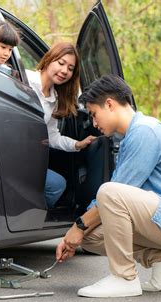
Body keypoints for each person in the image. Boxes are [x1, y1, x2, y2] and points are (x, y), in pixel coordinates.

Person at [55, 74, 161, 298]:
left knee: (105, 196)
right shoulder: (131, 136)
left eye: (94, 114)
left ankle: (124, 278)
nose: (94, 123)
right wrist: (79, 230)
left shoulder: (145, 131)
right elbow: (110, 201)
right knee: (90, 236)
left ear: (110, 104)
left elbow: (114, 192)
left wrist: (77, 225)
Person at [27, 43, 96, 209]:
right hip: (9, 152)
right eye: (61, 63)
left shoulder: (55, 99)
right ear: (49, 60)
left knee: (57, 184)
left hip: (30, 159)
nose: (65, 71)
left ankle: (32, 219)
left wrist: (77, 144)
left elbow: (51, 136)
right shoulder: (24, 79)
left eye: (71, 68)